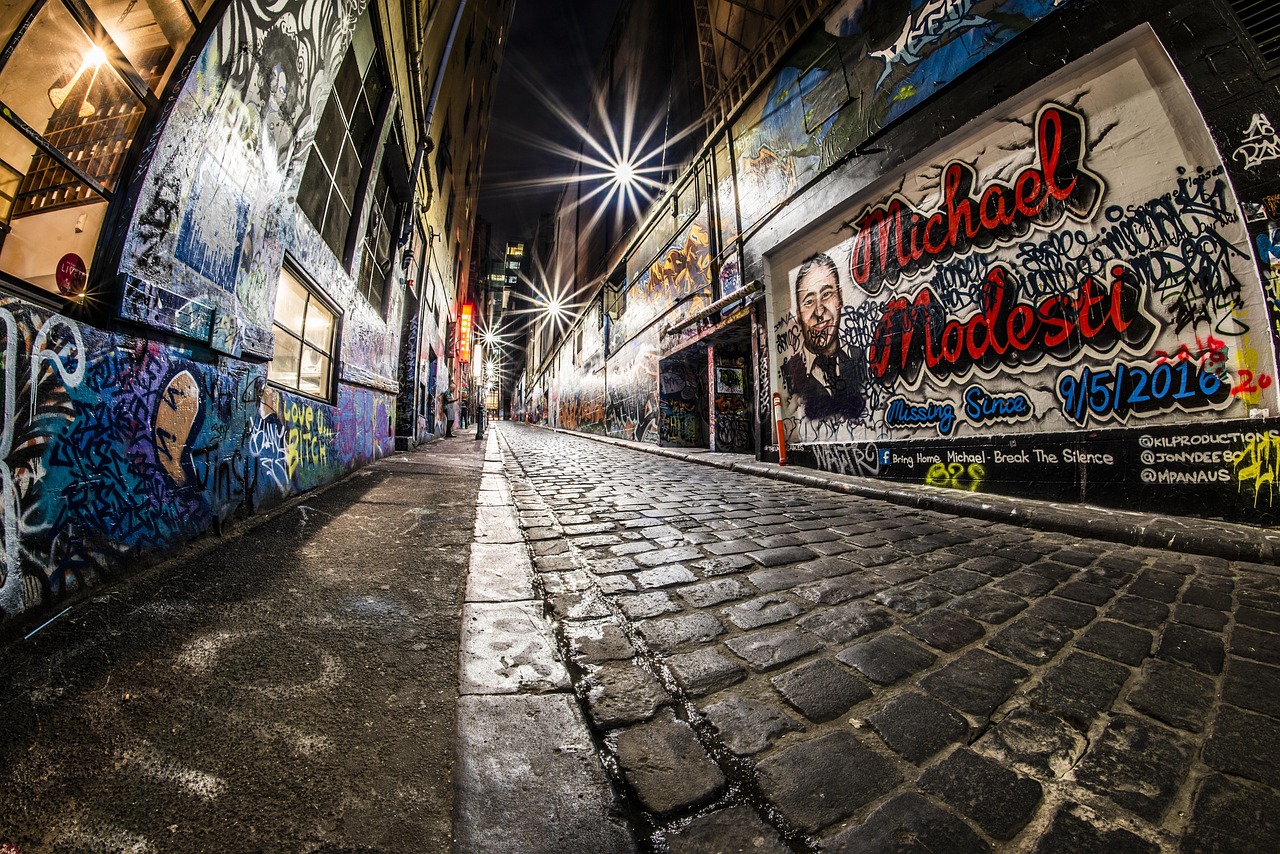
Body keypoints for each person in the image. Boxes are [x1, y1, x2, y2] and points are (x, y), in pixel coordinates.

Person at [782, 252, 867, 422]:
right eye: (809, 301)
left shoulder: (860, 358)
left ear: (840, 298)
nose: (819, 312)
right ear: (799, 315)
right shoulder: (791, 370)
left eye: (826, 294)